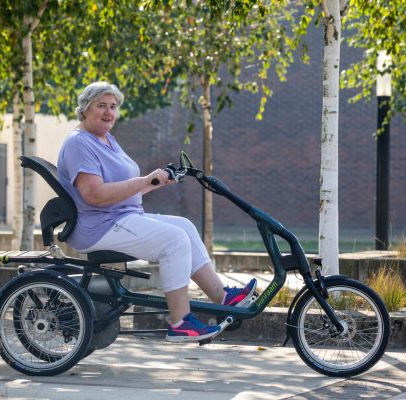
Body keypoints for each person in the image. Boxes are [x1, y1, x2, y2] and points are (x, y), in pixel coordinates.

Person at [57, 81, 257, 342]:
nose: (109, 112)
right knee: (174, 241)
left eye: (113, 107)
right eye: (101, 106)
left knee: (184, 226)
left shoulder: (106, 139)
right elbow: (94, 195)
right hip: (98, 225)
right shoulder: (79, 143)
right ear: (85, 109)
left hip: (119, 217)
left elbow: (123, 189)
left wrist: (155, 182)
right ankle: (180, 322)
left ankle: (223, 297)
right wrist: (145, 180)